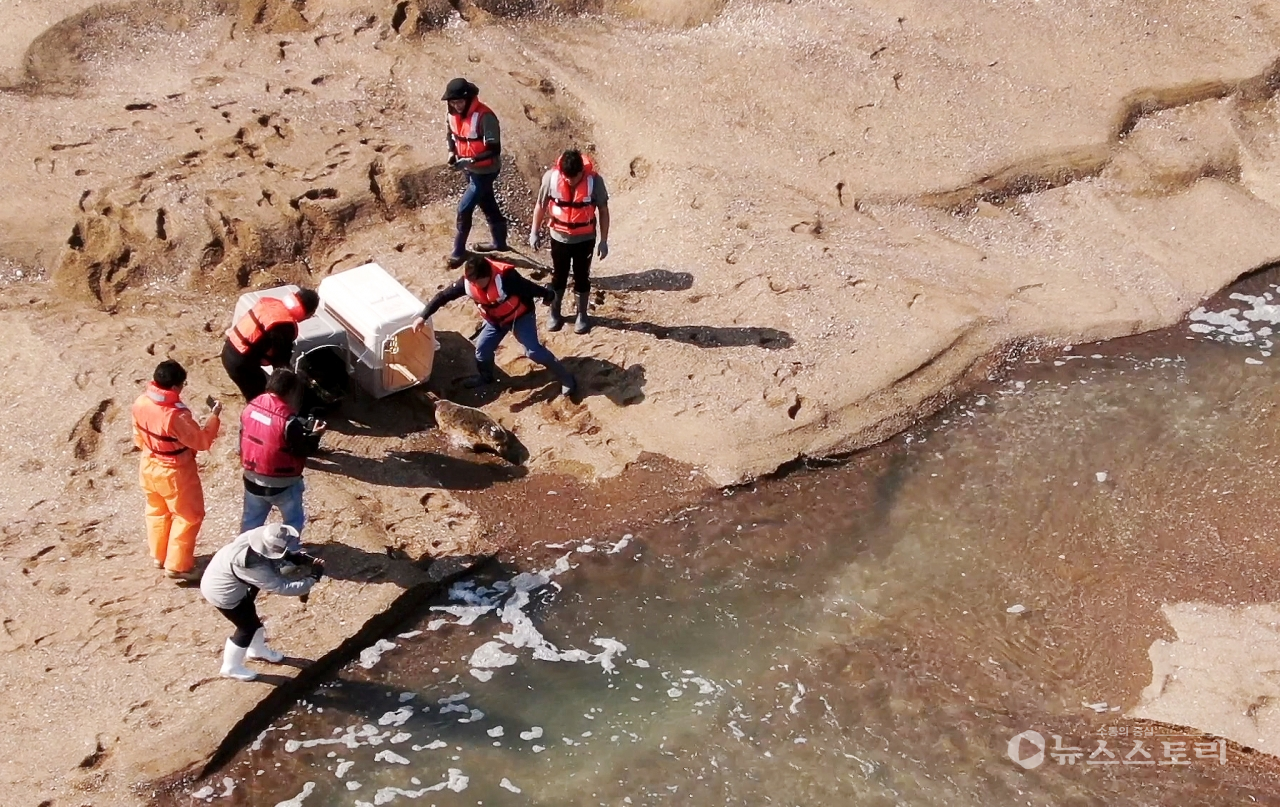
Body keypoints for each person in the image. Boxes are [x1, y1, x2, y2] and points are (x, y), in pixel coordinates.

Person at [416, 255, 577, 395]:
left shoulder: (507, 278)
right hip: (496, 321)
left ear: (487, 276)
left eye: (476, 282)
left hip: (520, 317)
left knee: (533, 351)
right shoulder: (467, 283)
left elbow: (529, 287)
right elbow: (443, 296)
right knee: (482, 351)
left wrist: (548, 294)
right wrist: (423, 317)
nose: (473, 285)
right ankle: (486, 377)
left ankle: (565, 377)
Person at [131, 360, 222, 582]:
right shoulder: (176, 415)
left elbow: (138, 437)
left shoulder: (140, 402)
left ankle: (159, 555)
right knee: (188, 516)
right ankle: (178, 565)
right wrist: (214, 417)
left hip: (148, 464)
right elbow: (201, 441)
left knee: (156, 510)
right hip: (175, 471)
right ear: (173, 387)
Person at [200, 524, 324, 681]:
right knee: (246, 628)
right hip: (223, 594)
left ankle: (256, 650)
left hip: (225, 582)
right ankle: (230, 667)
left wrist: (291, 557)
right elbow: (283, 587)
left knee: (253, 621)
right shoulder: (251, 567)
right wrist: (312, 578)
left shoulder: (254, 536)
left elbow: (269, 554)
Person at [529, 148, 610, 334]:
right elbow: (541, 205)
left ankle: (582, 314)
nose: (570, 181)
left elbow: (604, 211)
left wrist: (604, 240)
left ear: (582, 171)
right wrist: (534, 231)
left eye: (574, 177)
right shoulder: (550, 178)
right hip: (559, 237)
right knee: (559, 276)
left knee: (582, 277)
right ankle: (555, 313)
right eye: (566, 177)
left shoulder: (595, 182)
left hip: (585, 238)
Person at [240, 369, 325, 535]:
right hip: (282, 484)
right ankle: (291, 553)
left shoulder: (250, 408)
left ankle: (246, 553)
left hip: (251, 477)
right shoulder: (288, 422)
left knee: (251, 522)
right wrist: (315, 435)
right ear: (290, 392)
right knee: (293, 521)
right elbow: (303, 450)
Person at [443, 78, 510, 267]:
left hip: (486, 170)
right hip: (468, 169)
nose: (456, 106)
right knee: (487, 202)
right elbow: (451, 135)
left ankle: (458, 251)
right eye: (453, 102)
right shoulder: (451, 114)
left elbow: (494, 150)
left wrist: (471, 160)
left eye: (460, 102)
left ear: (469, 98)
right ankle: (500, 243)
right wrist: (452, 153)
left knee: (464, 208)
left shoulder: (485, 117)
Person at [221, 288, 321, 401]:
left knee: (259, 384)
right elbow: (280, 363)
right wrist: (292, 383)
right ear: (308, 313)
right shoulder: (285, 326)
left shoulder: (273, 305)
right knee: (259, 396)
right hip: (239, 363)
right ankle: (256, 414)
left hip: (229, 348)